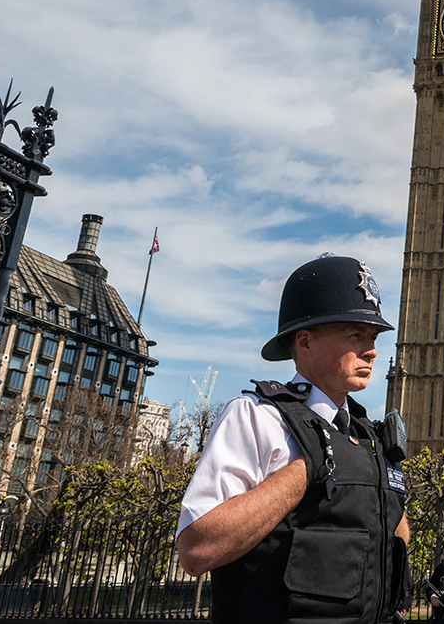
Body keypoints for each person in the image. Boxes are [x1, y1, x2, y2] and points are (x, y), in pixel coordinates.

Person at [176, 254, 411, 623]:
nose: (372, 350)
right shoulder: (257, 416)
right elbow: (197, 548)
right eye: (355, 335)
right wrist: (307, 469)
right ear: (304, 342)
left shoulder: (369, 435)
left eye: (373, 337)